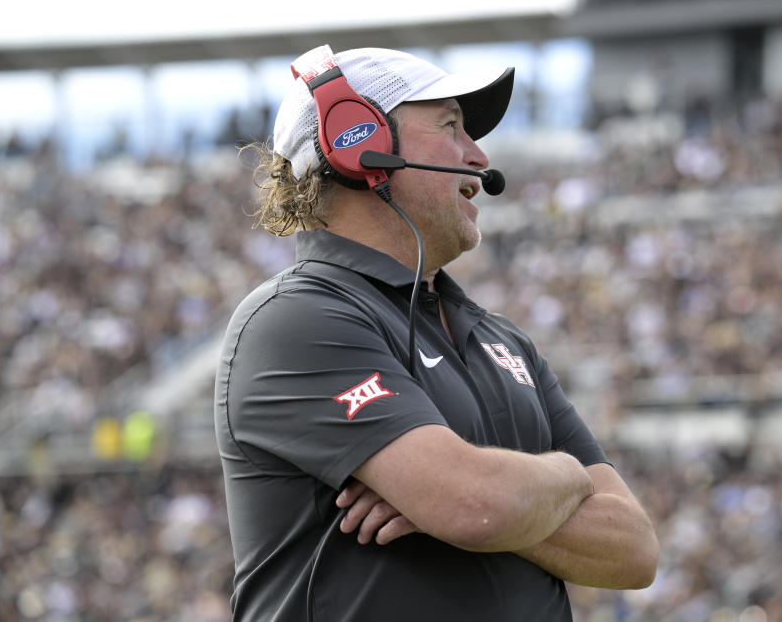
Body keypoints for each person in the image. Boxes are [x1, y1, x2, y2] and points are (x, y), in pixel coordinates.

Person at [214, 45, 659, 622]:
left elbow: (634, 551)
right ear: (358, 143)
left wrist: (485, 498)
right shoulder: (292, 321)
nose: (477, 156)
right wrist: (556, 481)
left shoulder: (502, 339)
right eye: (451, 126)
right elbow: (473, 506)